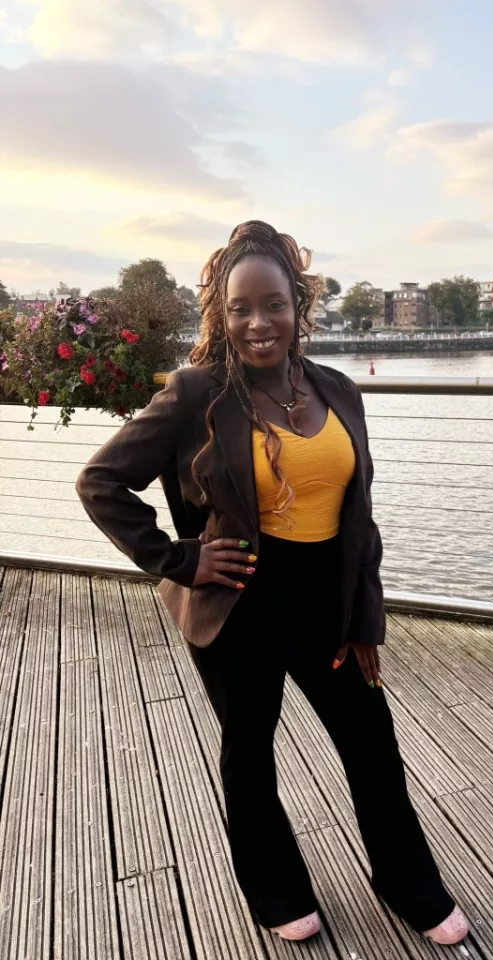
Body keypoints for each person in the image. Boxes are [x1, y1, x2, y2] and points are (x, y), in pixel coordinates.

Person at [76, 221, 468, 945]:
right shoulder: (196, 395)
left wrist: (366, 621)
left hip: (328, 603)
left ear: (299, 306)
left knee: (373, 748)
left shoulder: (339, 392)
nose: (259, 322)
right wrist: (182, 560)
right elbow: (100, 482)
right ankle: (275, 888)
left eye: (274, 304)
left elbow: (360, 523)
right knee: (249, 754)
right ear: (221, 316)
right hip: (240, 606)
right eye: (240, 308)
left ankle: (407, 882)